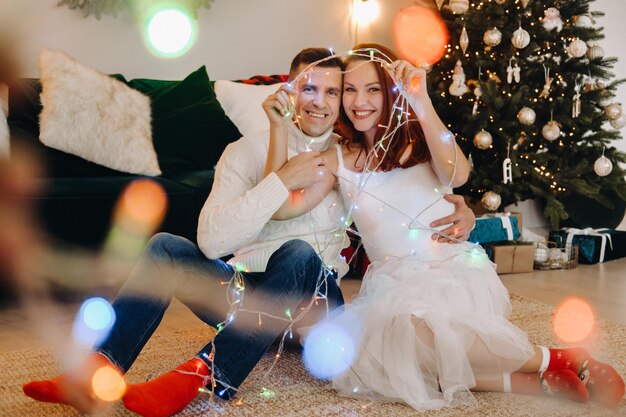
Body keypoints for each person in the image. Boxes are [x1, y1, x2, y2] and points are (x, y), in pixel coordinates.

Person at [22, 47, 478, 417]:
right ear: (288, 91)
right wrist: (281, 175)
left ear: (343, 101)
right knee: (165, 246)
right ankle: (97, 370)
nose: (319, 101)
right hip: (245, 299)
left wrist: (464, 208)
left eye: (332, 92)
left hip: (317, 316)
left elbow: (413, 187)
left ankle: (201, 375)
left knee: (298, 254)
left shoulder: (348, 156)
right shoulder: (241, 154)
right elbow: (211, 243)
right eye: (307, 88)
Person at [265, 43, 625, 411]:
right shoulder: (338, 158)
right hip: (392, 285)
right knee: (374, 357)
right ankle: (539, 380)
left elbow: (458, 173)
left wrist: (421, 102)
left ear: (391, 91)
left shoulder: (419, 138)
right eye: (351, 90)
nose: (360, 101)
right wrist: (277, 128)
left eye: (373, 88)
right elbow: (278, 207)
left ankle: (557, 357)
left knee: (416, 339)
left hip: (448, 271)